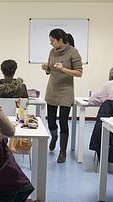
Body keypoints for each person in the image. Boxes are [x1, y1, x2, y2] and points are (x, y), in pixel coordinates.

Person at [41, 28, 83, 163]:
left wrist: (63, 69)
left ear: (60, 40)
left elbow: (79, 73)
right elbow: (50, 70)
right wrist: (46, 68)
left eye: (52, 41)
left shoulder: (73, 52)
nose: (51, 44)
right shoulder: (52, 52)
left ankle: (62, 152)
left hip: (66, 90)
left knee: (63, 121)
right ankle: (54, 137)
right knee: (51, 121)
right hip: (52, 89)